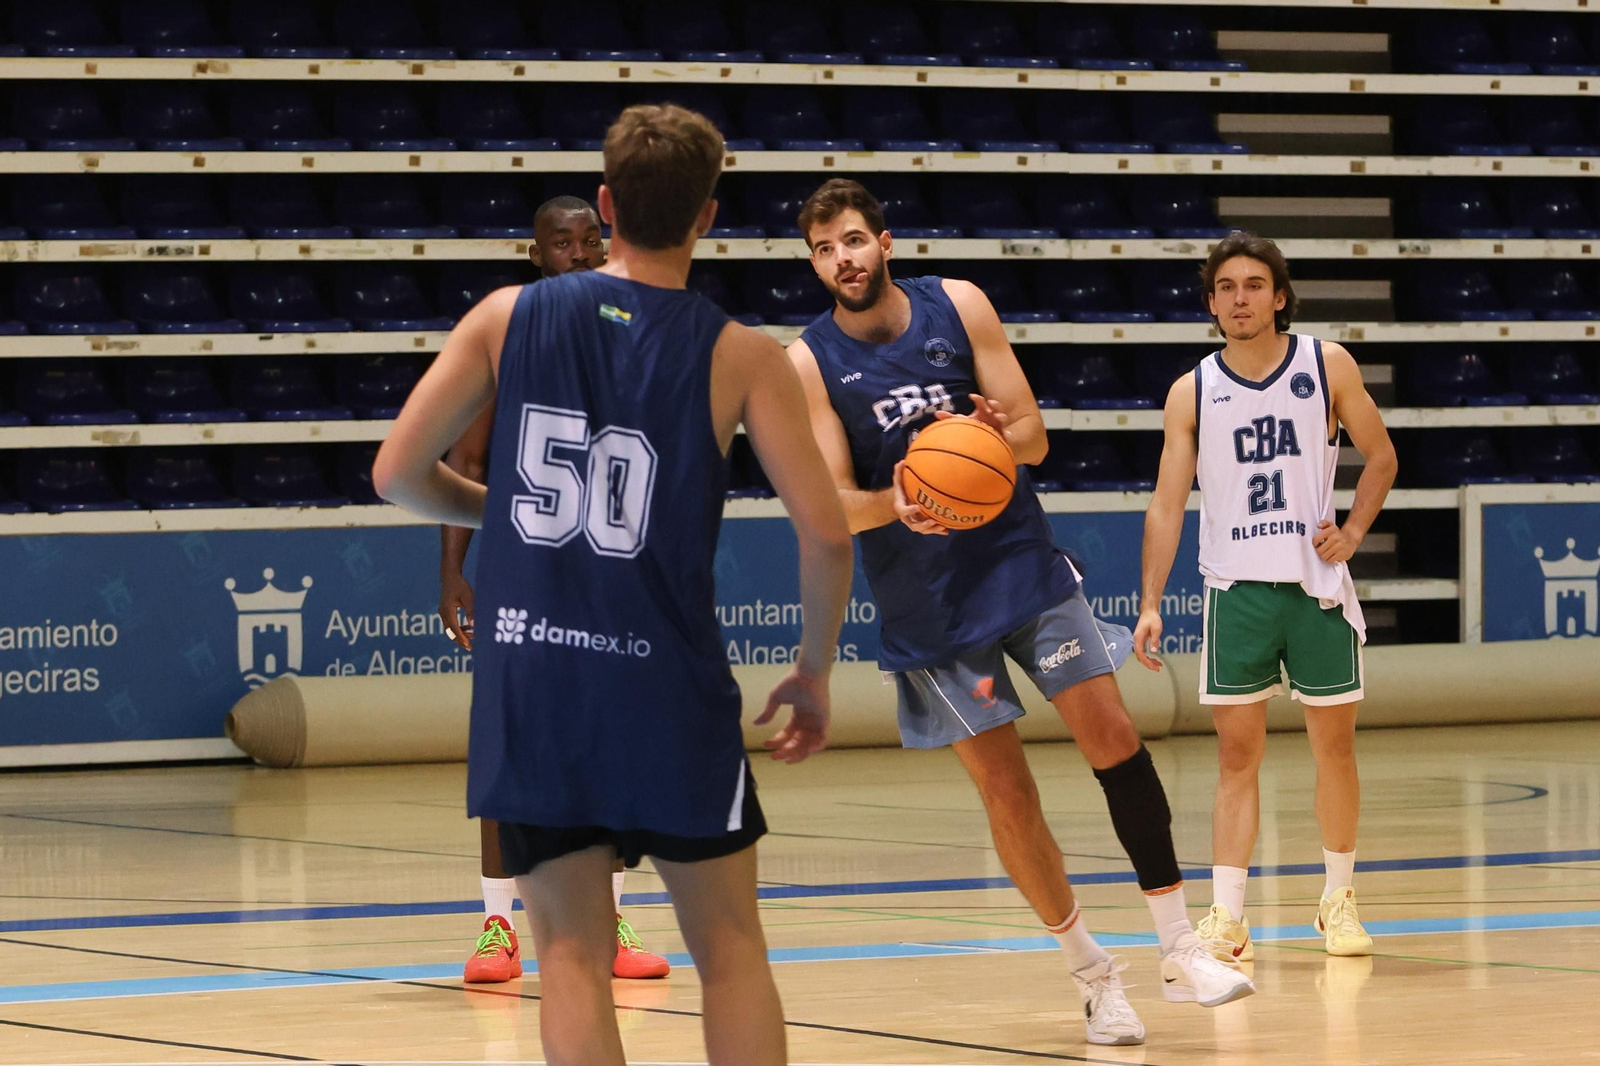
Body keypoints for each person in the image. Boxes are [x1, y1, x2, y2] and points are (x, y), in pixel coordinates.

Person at [375, 103, 854, 1066]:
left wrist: (503, 511)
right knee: (729, 951)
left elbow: (396, 474)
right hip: (665, 686)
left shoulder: (508, 316)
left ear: (605, 204)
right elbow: (827, 533)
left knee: (570, 959)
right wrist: (811, 670)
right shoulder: (743, 354)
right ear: (708, 216)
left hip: (537, 682)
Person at [786, 178, 1254, 1048]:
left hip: (1020, 567)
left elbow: (1034, 438)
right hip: (928, 609)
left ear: (885, 242)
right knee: (1008, 790)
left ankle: (1180, 945)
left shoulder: (959, 305)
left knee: (1113, 733)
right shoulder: (809, 361)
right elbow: (832, 506)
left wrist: (999, 433)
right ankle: (1092, 976)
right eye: (822, 250)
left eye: (852, 240)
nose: (841, 260)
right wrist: (900, 499)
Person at [1133, 232, 1397, 962]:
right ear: (1211, 301)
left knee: (1333, 749)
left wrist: (1352, 530)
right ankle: (1227, 916)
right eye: (1226, 287)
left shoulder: (1326, 363)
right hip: (1236, 589)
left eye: (1253, 285)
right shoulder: (1193, 389)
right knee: (1234, 758)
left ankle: (1338, 900)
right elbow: (1165, 502)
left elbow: (1383, 456)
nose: (1239, 298)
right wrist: (1151, 600)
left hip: (1315, 586)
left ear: (1279, 295)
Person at [436, 196, 669, 983]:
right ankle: (497, 925)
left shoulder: (630, 338)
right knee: (509, 751)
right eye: (560, 243)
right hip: (521, 576)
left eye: (588, 241)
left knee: (611, 748)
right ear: (534, 253)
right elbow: (464, 461)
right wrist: (451, 570)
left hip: (607, 573)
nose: (576, 253)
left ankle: (610, 917)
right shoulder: (506, 337)